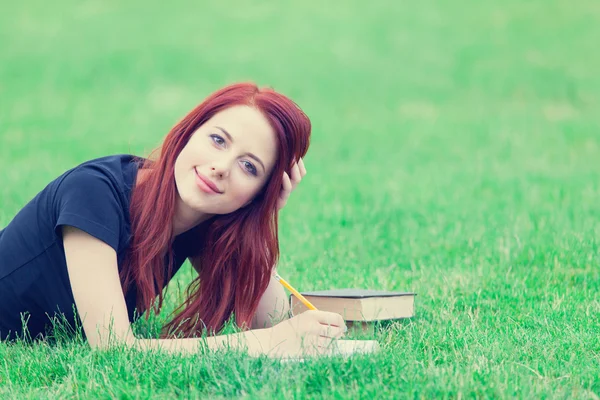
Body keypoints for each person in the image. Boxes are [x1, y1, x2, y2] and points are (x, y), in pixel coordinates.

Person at [0, 82, 345, 357]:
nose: (221, 167)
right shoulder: (94, 193)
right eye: (217, 140)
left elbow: (271, 321)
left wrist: (260, 215)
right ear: (189, 131)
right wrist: (266, 344)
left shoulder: (201, 219)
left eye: (249, 167)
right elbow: (114, 350)